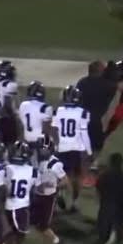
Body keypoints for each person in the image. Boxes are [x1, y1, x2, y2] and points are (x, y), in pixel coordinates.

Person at [78, 153, 123, 244]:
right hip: (117, 211)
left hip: (105, 209)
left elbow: (98, 190)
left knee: (103, 238)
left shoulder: (104, 176)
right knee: (120, 238)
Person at [2, 141, 41, 244]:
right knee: (19, 242)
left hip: (5, 207)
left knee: (4, 236)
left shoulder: (4, 169)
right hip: (21, 208)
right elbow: (35, 190)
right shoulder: (33, 171)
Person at [51, 86, 92, 214]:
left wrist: (56, 145)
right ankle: (74, 202)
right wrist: (89, 151)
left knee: (61, 175)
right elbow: (84, 134)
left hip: (62, 147)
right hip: (76, 148)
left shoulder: (58, 111)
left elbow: (54, 130)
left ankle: (59, 194)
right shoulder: (83, 113)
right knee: (77, 177)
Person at [31, 135, 66, 244]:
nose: (42, 152)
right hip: (37, 195)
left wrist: (52, 186)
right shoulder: (35, 158)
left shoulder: (55, 164)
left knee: (43, 226)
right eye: (41, 149)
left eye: (45, 150)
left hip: (48, 198)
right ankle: (55, 239)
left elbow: (65, 181)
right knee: (37, 224)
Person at [0, 61, 20, 145]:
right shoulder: (10, 85)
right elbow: (7, 105)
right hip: (5, 120)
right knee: (10, 145)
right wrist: (14, 118)